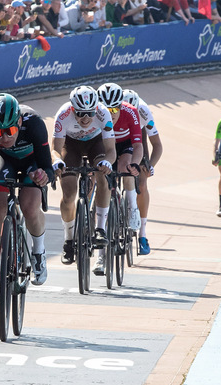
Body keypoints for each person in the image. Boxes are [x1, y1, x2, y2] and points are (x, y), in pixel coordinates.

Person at [0, 93, 54, 301]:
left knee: (29, 206)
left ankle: (39, 253)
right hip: (2, 160)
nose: (4, 138)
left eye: (10, 131)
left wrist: (43, 176)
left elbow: (48, 168)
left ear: (20, 122)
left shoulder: (34, 124)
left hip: (31, 162)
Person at [51, 85, 116, 266]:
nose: (86, 118)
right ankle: (69, 240)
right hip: (71, 145)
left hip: (96, 144)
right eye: (80, 113)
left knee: (102, 175)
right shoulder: (63, 114)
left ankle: (100, 229)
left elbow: (111, 151)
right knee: (69, 194)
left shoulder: (103, 113)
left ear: (96, 108)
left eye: (90, 113)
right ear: (72, 109)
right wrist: (57, 162)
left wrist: (107, 163)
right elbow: (55, 150)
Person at [96, 83, 143, 272]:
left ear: (121, 106)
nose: (111, 113)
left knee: (126, 168)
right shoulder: (95, 114)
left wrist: (135, 165)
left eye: (115, 108)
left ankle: (132, 208)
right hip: (105, 147)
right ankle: (100, 258)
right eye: (107, 109)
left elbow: (138, 145)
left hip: (124, 146)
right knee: (100, 181)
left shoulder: (131, 112)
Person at [124, 88, 162, 255]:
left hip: (137, 137)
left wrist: (150, 165)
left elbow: (157, 145)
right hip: (119, 137)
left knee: (142, 181)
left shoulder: (144, 111)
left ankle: (143, 235)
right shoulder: (112, 110)